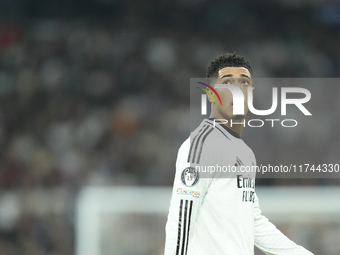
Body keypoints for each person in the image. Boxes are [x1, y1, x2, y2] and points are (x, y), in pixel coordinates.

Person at [164, 53, 313, 255]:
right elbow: (181, 218)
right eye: (227, 83)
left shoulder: (244, 151)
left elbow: (253, 221)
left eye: (243, 83)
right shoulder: (202, 144)